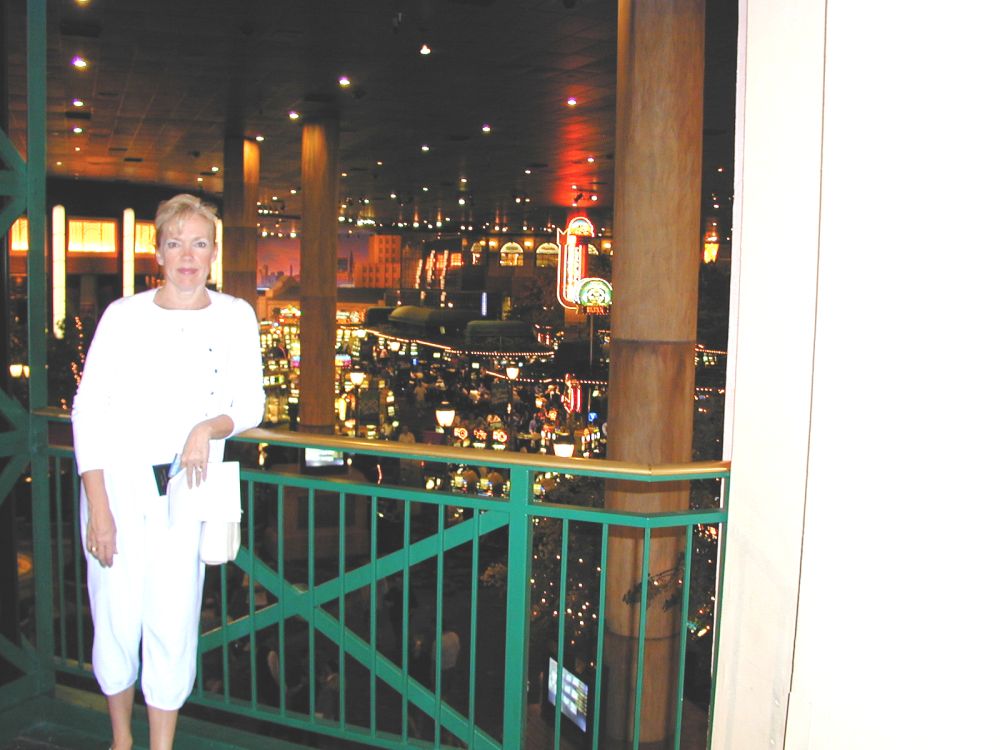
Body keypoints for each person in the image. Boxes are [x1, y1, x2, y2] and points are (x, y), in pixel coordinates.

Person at [72, 194, 264, 750]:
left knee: (173, 622)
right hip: (118, 486)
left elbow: (251, 405)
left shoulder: (235, 315)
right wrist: (99, 509)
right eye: (175, 243)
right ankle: (121, 741)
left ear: (214, 252)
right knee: (114, 616)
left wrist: (207, 427)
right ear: (157, 251)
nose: (187, 256)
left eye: (199, 243)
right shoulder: (123, 316)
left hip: (188, 488)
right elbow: (89, 410)